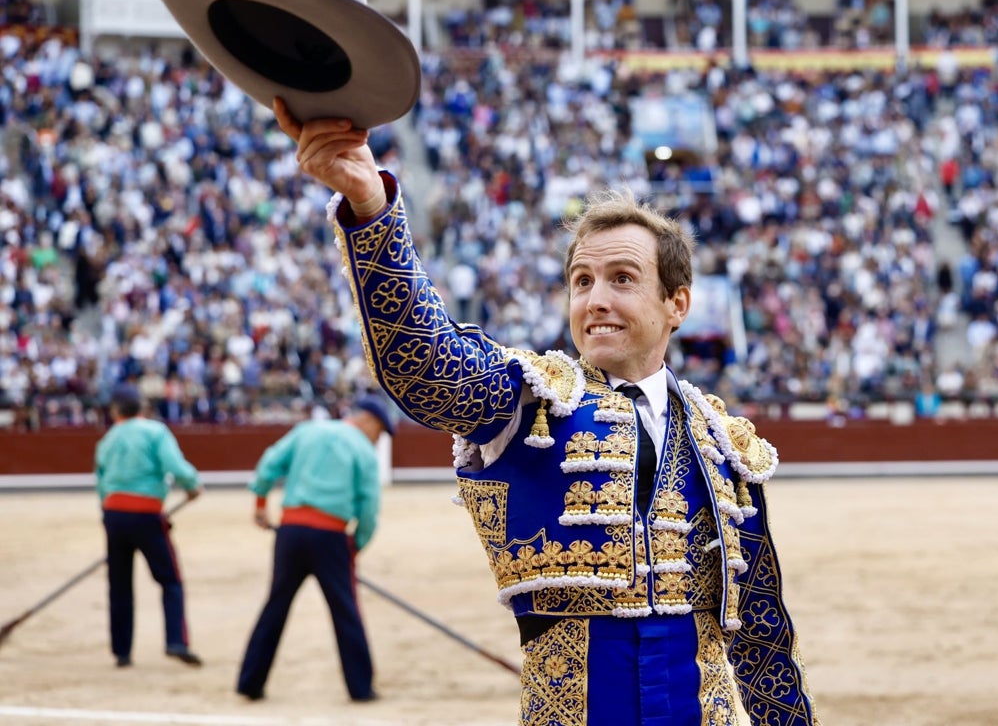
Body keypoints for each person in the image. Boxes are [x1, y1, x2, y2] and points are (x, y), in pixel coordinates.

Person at [273, 97, 819, 725]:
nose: (596, 300)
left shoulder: (722, 441)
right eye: (581, 282)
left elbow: (760, 638)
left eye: (622, 279)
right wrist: (372, 208)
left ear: (677, 303)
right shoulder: (531, 399)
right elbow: (422, 363)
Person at [236, 395, 390, 704]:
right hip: (331, 537)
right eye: (379, 432)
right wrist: (354, 547)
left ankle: (250, 682)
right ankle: (360, 688)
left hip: (290, 532)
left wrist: (260, 504)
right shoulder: (362, 449)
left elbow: (269, 463)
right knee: (345, 610)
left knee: (275, 606)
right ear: (368, 421)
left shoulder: (307, 430)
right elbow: (369, 509)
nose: (377, 440)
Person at [93, 382, 204, 668]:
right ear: (142, 407)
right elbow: (176, 467)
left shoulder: (107, 440)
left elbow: (102, 486)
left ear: (115, 410)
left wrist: (109, 518)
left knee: (119, 584)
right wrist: (192, 485)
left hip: (114, 515)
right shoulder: (155, 432)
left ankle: (122, 652)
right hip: (146, 513)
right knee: (170, 581)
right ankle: (175, 641)